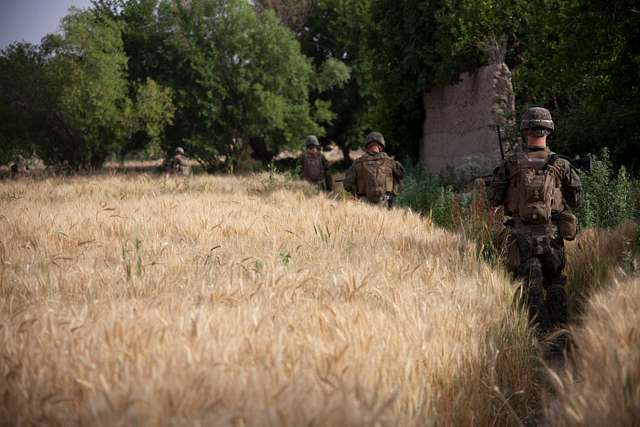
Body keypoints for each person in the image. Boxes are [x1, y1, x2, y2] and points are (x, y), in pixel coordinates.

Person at [489, 107, 582, 334]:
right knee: (555, 283)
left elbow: (493, 199)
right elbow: (577, 200)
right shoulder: (561, 165)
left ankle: (539, 337)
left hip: (521, 237)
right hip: (552, 237)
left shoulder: (511, 163)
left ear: (525, 130)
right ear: (548, 131)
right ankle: (560, 334)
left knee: (530, 285)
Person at [343, 132, 405, 208]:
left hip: (363, 203)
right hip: (385, 202)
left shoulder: (357, 163)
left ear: (367, 146)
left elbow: (347, 185)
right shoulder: (390, 162)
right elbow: (402, 175)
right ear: (381, 147)